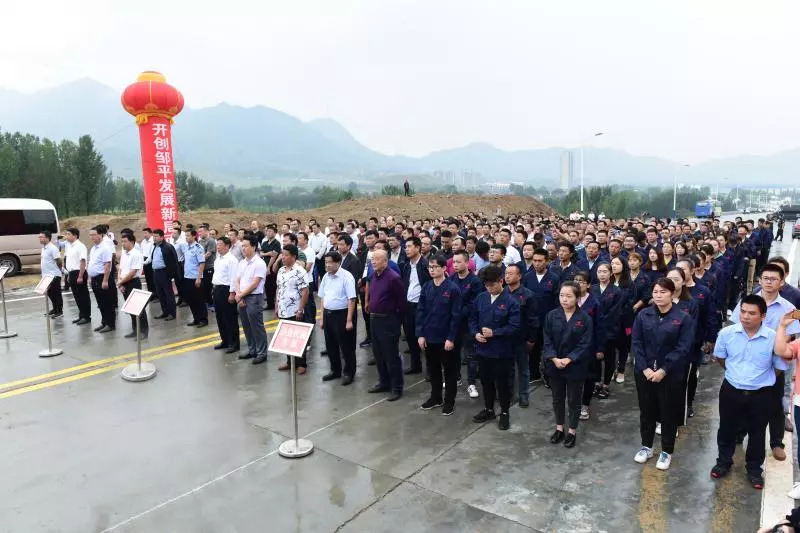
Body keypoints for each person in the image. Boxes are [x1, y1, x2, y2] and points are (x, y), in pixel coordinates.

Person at [710, 294, 788, 490]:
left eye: (752, 313)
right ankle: (723, 462)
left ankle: (754, 470)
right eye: (743, 312)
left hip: (761, 394)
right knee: (727, 429)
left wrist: (758, 379)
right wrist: (737, 375)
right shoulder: (727, 333)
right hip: (731, 390)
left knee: (757, 432)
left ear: (762, 316)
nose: (746, 316)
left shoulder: (772, 338)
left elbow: (778, 367)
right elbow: (721, 358)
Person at [731, 263, 800, 462]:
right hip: (749, 363)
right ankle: (740, 432)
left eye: (774, 279)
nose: (769, 282)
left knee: (775, 403)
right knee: (745, 399)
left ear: (782, 282)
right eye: (766, 278)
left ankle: (777, 442)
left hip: (775, 365)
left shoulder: (789, 308)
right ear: (760, 280)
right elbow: (736, 327)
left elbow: (792, 336)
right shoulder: (747, 302)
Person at [631, 278, 693, 471]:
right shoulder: (643, 315)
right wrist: (645, 368)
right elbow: (637, 343)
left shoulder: (682, 318)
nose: (658, 295)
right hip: (645, 373)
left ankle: (666, 451)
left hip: (670, 375)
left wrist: (664, 370)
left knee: (668, 413)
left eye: (663, 292)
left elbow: (682, 349)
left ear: (672, 294)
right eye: (656, 292)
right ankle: (646, 446)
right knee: (647, 411)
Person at [469, 265, 520, 431]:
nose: (489, 288)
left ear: (501, 281)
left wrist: (495, 333)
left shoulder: (511, 302)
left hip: (501, 351)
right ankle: (489, 409)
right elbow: (473, 318)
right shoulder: (481, 298)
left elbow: (514, 327)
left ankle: (504, 412)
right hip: (483, 350)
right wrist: (475, 333)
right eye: (486, 285)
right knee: (486, 382)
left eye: (492, 285)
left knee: (503, 384)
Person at [544, 280, 592, 447]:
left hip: (575, 365)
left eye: (569, 296)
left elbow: (585, 343)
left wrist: (569, 358)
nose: (564, 299)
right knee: (557, 397)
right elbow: (547, 338)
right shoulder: (552, 315)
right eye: (562, 296)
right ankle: (559, 428)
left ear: (577, 298)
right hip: (554, 363)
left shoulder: (584, 318)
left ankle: (572, 430)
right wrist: (554, 358)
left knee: (574, 399)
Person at [417, 254, 462, 415]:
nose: (432, 270)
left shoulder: (452, 289)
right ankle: (436, 397)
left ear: (444, 268)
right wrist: (421, 334)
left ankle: (449, 401)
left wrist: (451, 338)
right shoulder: (427, 287)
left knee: (449, 372)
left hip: (446, 339)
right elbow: (421, 312)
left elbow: (456, 316)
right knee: (433, 369)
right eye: (430, 267)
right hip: (430, 336)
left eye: (435, 267)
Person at [366, 249, 406, 402]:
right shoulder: (374, 275)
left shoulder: (393, 278)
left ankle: (397, 387)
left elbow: (401, 303)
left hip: (389, 321)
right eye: (372, 260)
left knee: (391, 355)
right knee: (378, 353)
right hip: (375, 320)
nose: (373, 262)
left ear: (385, 261)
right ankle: (384, 382)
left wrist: (396, 322)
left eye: (376, 259)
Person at [319, 251, 357, 385]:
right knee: (331, 345)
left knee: (346, 346)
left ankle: (349, 373)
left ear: (338, 263)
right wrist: (322, 318)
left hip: (342, 314)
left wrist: (349, 320)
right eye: (326, 262)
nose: (327, 265)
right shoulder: (325, 277)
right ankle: (335, 370)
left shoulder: (346, 277)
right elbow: (323, 297)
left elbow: (351, 299)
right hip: (329, 314)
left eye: (330, 262)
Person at [449, 250, 484, 398]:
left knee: (470, 355)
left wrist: (459, 312)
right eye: (454, 262)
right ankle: (455, 378)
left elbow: (474, 304)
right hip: (454, 324)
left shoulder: (475, 281)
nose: (455, 265)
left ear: (466, 263)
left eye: (458, 262)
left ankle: (471, 383)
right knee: (453, 353)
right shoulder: (451, 279)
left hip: (469, 324)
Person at [524, 247, 561, 385]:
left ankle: (549, 375)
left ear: (546, 261)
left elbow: (558, 300)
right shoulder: (527, 277)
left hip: (548, 320)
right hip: (531, 321)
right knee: (532, 349)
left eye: (540, 261)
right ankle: (534, 374)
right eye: (534, 261)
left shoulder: (554, 278)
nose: (537, 263)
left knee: (549, 350)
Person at [505, 263, 538, 407]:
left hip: (521, 338)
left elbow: (533, 319)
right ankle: (508, 393)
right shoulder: (501, 293)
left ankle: (524, 395)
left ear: (519, 276)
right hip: (504, 338)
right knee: (507, 368)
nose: (507, 276)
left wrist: (532, 339)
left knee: (523, 368)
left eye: (511, 274)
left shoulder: (528, 295)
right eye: (506, 273)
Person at [275, 244, 311, 374]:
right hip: (283, 309)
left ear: (294, 256)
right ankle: (290, 362)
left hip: (295, 310)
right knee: (287, 337)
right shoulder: (281, 270)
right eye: (282, 255)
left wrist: (300, 309)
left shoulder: (299, 271)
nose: (283, 257)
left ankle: (301, 364)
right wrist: (276, 306)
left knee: (298, 337)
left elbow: (305, 291)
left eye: (286, 255)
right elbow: (279, 289)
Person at [234, 235, 269, 364]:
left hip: (254, 297)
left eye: (246, 246)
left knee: (256, 326)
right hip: (242, 297)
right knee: (246, 326)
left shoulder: (259, 263)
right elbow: (237, 279)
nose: (243, 248)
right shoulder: (242, 262)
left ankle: (262, 353)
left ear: (254, 247)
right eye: (242, 246)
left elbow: (255, 284)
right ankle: (252, 349)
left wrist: (241, 295)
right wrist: (239, 295)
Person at [590, 262, 621, 399]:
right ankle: (596, 382)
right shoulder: (593, 289)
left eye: (605, 271)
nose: (602, 274)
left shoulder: (616, 291)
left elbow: (615, 313)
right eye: (599, 271)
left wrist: (601, 321)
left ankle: (606, 384)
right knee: (595, 358)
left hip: (610, 330)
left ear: (610, 273)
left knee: (609, 358)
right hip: (594, 330)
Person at [400, 237, 431, 375]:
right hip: (408, 306)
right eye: (405, 246)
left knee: (426, 339)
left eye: (409, 246)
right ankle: (415, 365)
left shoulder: (425, 265)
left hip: (422, 306)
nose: (406, 249)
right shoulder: (406, 265)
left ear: (418, 248)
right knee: (411, 336)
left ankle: (431, 369)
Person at [116, 232, 148, 339]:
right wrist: (120, 281)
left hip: (133, 282)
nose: (123, 244)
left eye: (125, 242)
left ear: (132, 242)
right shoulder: (124, 253)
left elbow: (133, 272)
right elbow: (120, 268)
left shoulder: (136, 254)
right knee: (131, 309)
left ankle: (144, 331)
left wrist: (121, 282)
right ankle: (135, 330)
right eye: (122, 242)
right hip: (124, 282)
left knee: (139, 309)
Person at [211, 237, 240, 354]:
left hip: (226, 290)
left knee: (230, 318)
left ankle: (234, 343)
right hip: (217, 289)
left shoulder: (231, 260)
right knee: (220, 317)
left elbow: (234, 278)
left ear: (227, 246)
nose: (217, 247)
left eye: (220, 245)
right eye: (217, 245)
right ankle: (225, 340)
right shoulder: (218, 259)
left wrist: (232, 293)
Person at [88, 226, 115, 332]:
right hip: (95, 278)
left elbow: (107, 265)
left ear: (100, 235)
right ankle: (104, 322)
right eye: (90, 235)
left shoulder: (105, 247)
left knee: (107, 302)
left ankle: (110, 324)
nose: (92, 237)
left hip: (102, 278)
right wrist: (90, 278)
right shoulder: (94, 248)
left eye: (94, 235)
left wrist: (105, 280)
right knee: (100, 303)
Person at [63, 228, 90, 325]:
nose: (66, 236)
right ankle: (81, 315)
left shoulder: (80, 246)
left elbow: (83, 261)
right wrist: (69, 275)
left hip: (79, 272)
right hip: (72, 273)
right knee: (77, 296)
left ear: (75, 236)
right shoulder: (69, 246)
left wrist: (80, 276)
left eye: (68, 234)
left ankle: (86, 317)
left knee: (83, 296)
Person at [151, 229, 178, 321]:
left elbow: (173, 262)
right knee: (160, 293)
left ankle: (172, 313)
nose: (154, 238)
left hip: (165, 272)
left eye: (156, 236)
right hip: (156, 272)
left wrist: (171, 276)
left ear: (162, 237)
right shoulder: (155, 246)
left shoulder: (168, 247)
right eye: (153, 236)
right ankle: (164, 311)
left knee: (168, 293)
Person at [182, 229, 208, 327]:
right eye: (186, 236)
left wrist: (199, 278)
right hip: (187, 277)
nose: (186, 238)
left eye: (188, 236)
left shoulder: (198, 247)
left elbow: (202, 263)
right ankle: (196, 318)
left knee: (199, 300)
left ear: (194, 236)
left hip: (195, 278)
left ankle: (203, 319)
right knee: (191, 300)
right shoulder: (186, 247)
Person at [39, 231, 63, 318]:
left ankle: (59, 311)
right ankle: (55, 308)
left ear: (47, 238)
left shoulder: (53, 248)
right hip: (46, 276)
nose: (40, 239)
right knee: (50, 293)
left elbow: (58, 261)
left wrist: (60, 271)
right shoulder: (43, 248)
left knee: (56, 293)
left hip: (54, 275)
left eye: (42, 237)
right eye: (40, 237)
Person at [138, 228, 156, 300]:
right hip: (144, 261)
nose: (144, 235)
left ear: (150, 233)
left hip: (151, 261)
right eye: (144, 233)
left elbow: (151, 254)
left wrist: (145, 262)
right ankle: (150, 294)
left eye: (146, 233)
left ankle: (156, 295)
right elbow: (141, 252)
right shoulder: (143, 242)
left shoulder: (152, 241)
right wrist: (142, 262)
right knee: (148, 279)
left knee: (153, 279)